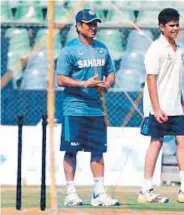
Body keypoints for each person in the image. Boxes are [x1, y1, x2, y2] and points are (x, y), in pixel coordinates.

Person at [138, 8, 184, 204]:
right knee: (156, 142)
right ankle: (146, 190)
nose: (175, 28)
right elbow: (151, 79)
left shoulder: (179, 49)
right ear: (161, 27)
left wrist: (181, 103)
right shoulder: (155, 48)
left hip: (174, 105)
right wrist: (156, 108)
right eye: (171, 25)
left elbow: (174, 80)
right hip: (159, 106)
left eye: (177, 25)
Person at [56, 8, 119, 207]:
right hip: (74, 109)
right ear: (78, 26)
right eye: (89, 24)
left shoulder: (102, 48)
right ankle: (70, 192)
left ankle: (99, 193)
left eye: (95, 23)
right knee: (71, 151)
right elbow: (60, 79)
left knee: (98, 151)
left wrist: (108, 83)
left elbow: (111, 72)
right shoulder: (69, 50)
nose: (93, 27)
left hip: (96, 109)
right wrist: (84, 84)